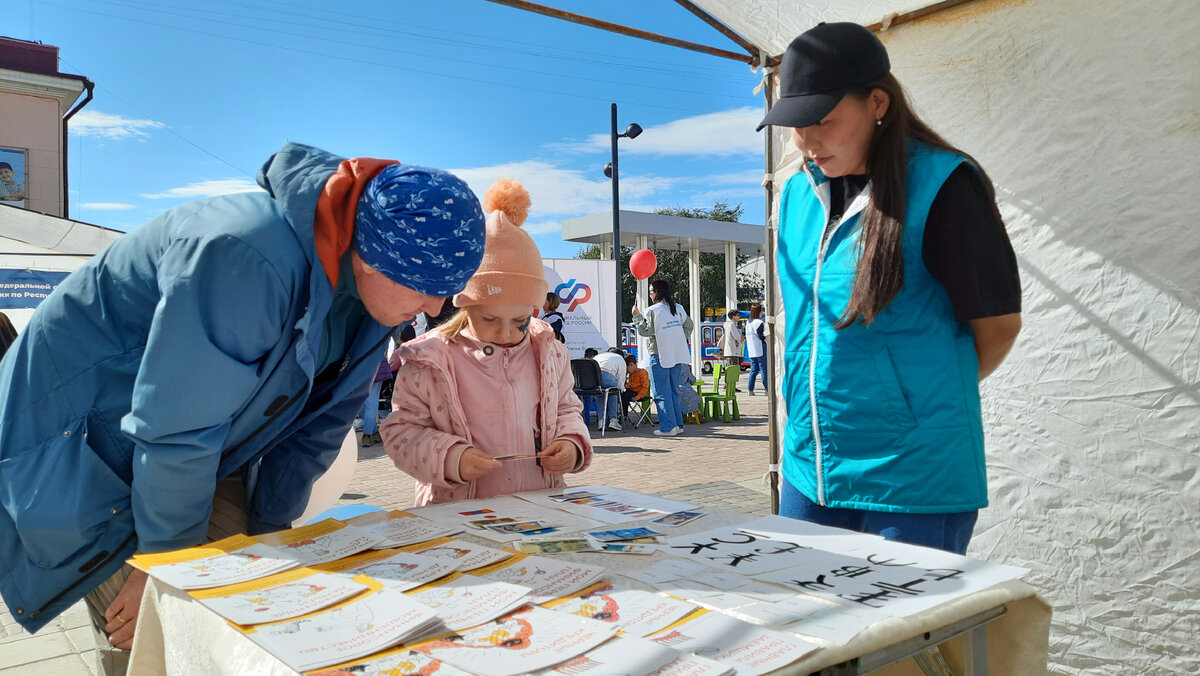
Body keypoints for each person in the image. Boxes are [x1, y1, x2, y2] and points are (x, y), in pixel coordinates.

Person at [0, 142, 486, 674]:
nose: (436, 309)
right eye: (427, 288)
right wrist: (168, 572)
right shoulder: (246, 253)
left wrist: (270, 534)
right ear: (372, 256)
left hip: (183, 449)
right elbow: (177, 429)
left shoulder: (373, 299)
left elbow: (318, 430)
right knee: (158, 637)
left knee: (243, 609)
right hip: (76, 449)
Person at [758, 23, 1022, 554]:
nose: (807, 142)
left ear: (877, 102)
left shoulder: (945, 186)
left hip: (911, 481)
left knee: (904, 637)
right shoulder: (795, 197)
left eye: (823, 121)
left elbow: (997, 326)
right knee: (807, 625)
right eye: (794, 126)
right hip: (810, 468)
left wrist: (904, 401)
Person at [381, 178, 592, 506]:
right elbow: (401, 433)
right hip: (457, 518)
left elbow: (566, 407)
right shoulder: (430, 360)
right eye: (490, 320)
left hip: (542, 513)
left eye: (520, 321)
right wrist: (453, 458)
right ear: (465, 305)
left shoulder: (549, 352)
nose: (507, 332)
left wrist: (571, 444)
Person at [631, 280, 694, 437]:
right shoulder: (678, 308)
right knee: (673, 390)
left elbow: (645, 332)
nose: (650, 294)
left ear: (657, 292)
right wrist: (677, 338)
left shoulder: (652, 310)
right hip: (676, 355)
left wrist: (637, 317)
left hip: (658, 355)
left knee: (660, 392)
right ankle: (678, 425)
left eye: (651, 291)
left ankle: (668, 427)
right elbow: (689, 326)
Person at [593, 347, 627, 431]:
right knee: (614, 392)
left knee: (600, 394)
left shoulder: (598, 356)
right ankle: (613, 420)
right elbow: (621, 378)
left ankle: (601, 422)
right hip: (608, 376)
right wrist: (621, 390)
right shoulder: (619, 358)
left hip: (592, 378)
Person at [745, 304, 768, 395]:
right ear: (759, 312)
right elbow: (761, 335)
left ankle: (750, 389)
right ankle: (767, 389)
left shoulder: (748, 323)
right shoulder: (759, 322)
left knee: (754, 369)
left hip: (752, 348)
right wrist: (765, 337)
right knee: (764, 369)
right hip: (760, 347)